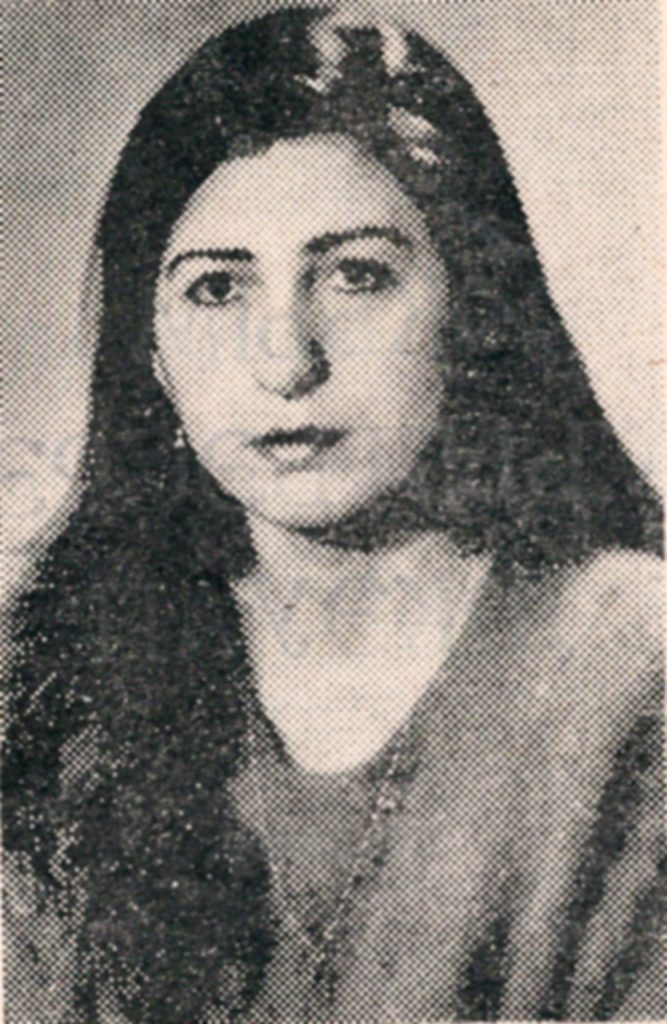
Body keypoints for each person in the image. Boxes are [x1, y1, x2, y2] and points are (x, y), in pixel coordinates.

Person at [3, 6, 663, 1022]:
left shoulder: (627, 665)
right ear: (151, 355)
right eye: (215, 289)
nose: (285, 361)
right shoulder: (60, 675)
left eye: (356, 276)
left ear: (473, 306)